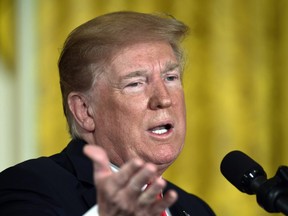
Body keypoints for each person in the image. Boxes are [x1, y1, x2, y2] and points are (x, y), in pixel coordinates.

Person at [0, 11, 215, 216]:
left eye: (170, 77)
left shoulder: (194, 208)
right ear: (84, 110)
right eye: (135, 83)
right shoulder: (28, 186)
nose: (164, 99)